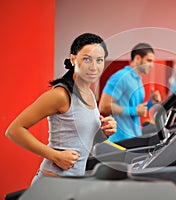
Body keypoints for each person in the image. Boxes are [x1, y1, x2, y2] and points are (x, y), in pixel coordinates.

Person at [5, 33, 117, 185]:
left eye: (99, 60)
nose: (94, 67)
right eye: (87, 59)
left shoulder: (89, 94)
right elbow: (14, 130)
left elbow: (81, 141)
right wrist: (55, 156)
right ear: (73, 60)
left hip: (73, 182)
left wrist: (104, 133)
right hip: (52, 182)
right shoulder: (61, 95)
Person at [99, 43, 161, 143]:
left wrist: (151, 103)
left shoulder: (137, 79)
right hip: (120, 139)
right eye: (149, 60)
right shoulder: (120, 77)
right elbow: (104, 106)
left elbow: (137, 109)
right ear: (137, 58)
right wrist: (134, 111)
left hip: (134, 136)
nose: (152, 65)